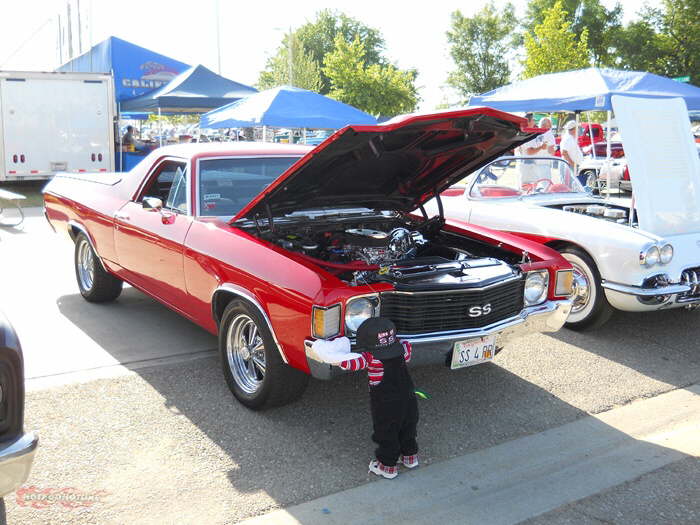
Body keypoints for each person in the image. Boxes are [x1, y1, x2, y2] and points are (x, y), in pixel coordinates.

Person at [312, 318, 419, 479]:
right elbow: (406, 344)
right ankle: (410, 457)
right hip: (409, 398)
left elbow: (348, 363)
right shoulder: (403, 350)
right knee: (408, 426)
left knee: (387, 432)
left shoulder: (370, 358)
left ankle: (387, 466)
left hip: (385, 403)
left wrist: (325, 348)